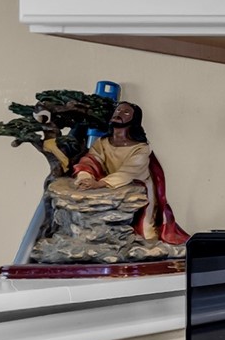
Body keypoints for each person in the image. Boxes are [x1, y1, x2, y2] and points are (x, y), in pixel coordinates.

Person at [70, 101, 188, 245]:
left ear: (134, 119)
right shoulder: (103, 142)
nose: (119, 113)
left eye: (126, 112)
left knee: (146, 230)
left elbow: (128, 172)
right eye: (118, 110)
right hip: (112, 187)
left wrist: (99, 183)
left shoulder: (140, 148)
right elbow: (91, 160)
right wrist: (85, 176)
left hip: (139, 188)